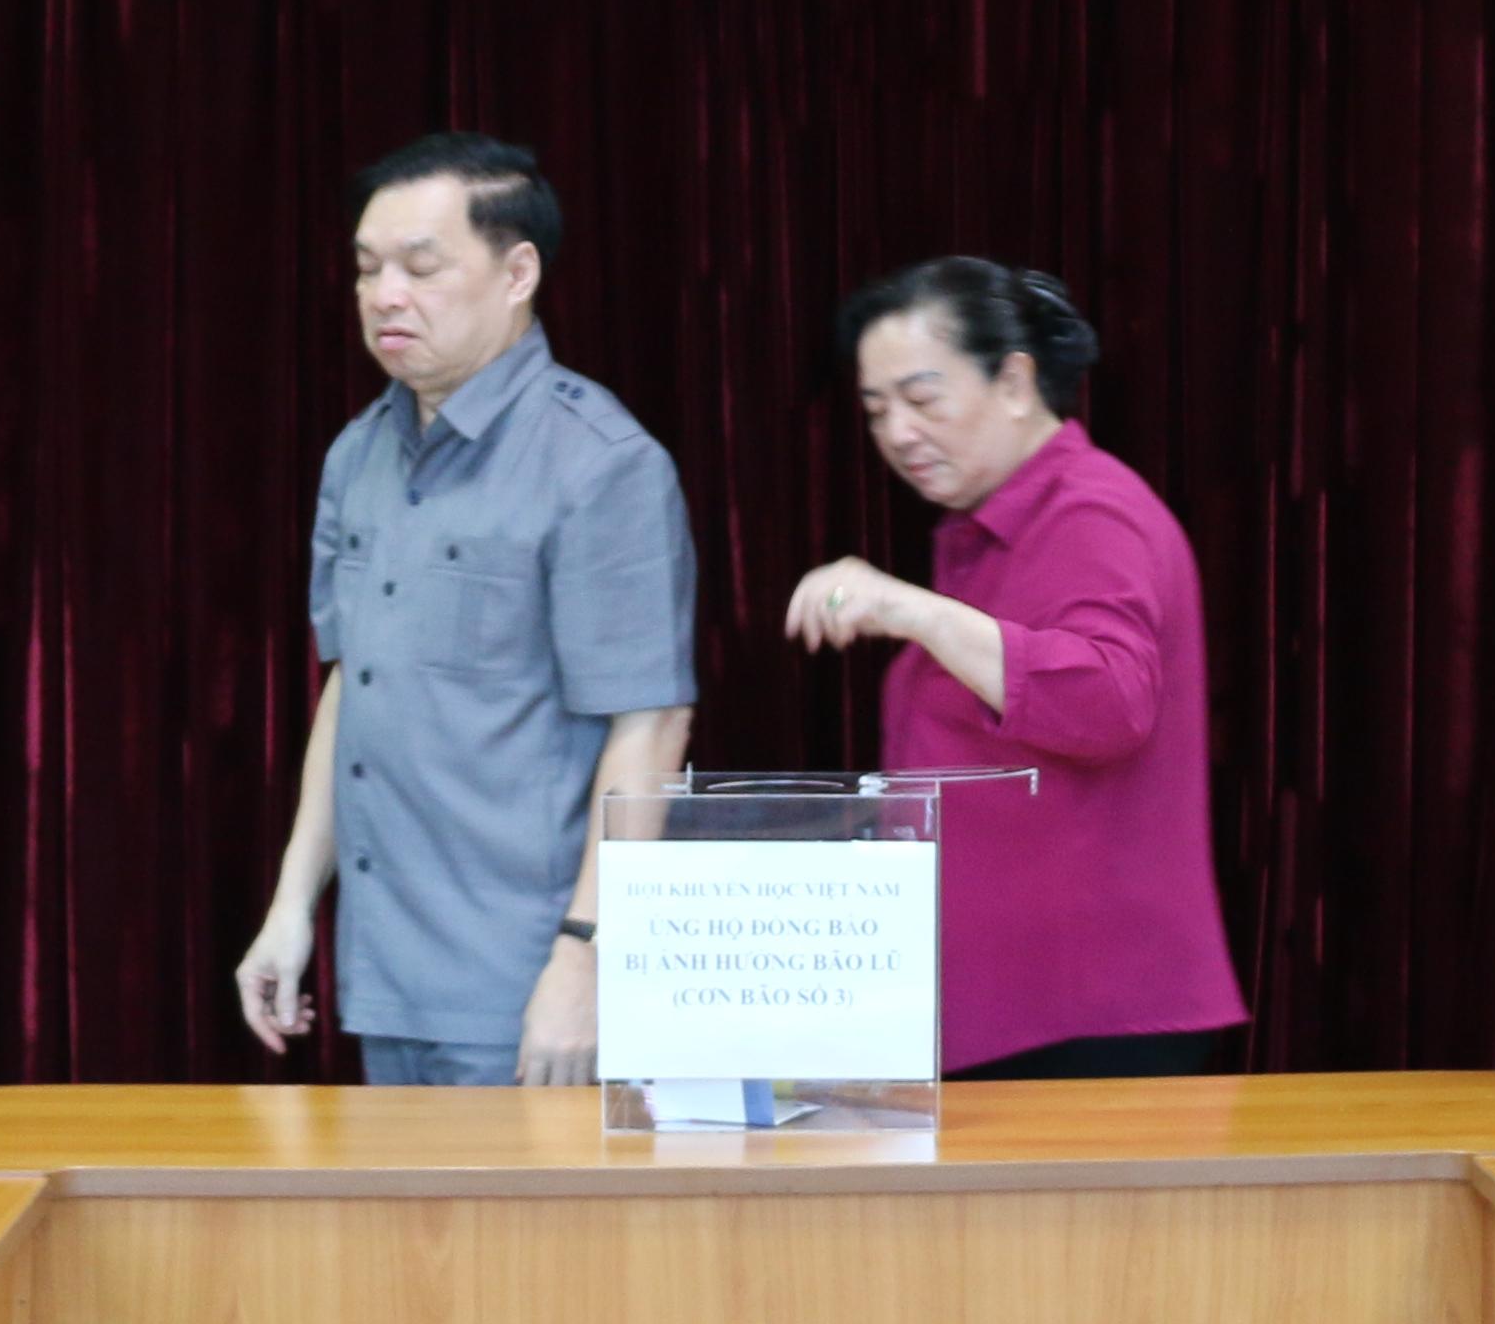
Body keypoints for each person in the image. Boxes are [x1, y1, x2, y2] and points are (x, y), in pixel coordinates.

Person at [240, 136, 696, 1087]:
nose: (384, 296)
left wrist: (587, 954)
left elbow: (650, 726)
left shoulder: (600, 462)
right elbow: (352, 689)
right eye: (367, 268)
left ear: (517, 273)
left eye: (420, 267)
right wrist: (291, 906)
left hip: (526, 983)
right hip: (384, 971)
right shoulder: (357, 455)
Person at [782, 259, 1249, 1080]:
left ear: (1015, 382)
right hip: (1012, 1014)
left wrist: (914, 611)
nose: (898, 434)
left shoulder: (1090, 511)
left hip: (1089, 1022)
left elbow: (1110, 700)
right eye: (877, 410)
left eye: (923, 399)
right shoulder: (990, 533)